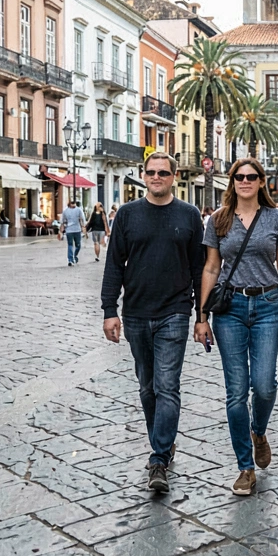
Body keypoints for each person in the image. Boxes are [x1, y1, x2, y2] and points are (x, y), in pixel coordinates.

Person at [101, 153, 205, 494]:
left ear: (174, 177)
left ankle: (158, 457)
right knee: (147, 387)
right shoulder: (128, 215)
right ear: (143, 176)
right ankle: (162, 441)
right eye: (151, 172)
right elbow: (114, 265)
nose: (156, 177)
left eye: (163, 173)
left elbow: (199, 269)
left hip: (175, 311)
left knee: (166, 385)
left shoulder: (189, 216)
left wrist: (201, 314)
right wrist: (109, 310)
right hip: (135, 313)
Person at [199, 158, 278, 496]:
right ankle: (245, 467)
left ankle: (259, 431)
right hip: (230, 310)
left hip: (269, 305)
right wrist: (201, 315)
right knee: (236, 391)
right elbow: (211, 268)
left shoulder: (276, 219)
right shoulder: (218, 220)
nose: (245, 181)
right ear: (232, 181)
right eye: (239, 177)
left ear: (261, 182)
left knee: (265, 385)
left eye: (251, 177)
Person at [61, 201, 85, 266]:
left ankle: (72, 258)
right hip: (73, 230)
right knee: (75, 245)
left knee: (74, 245)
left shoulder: (77, 210)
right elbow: (82, 219)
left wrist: (83, 227)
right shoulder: (68, 211)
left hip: (73, 230)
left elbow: (63, 221)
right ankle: (71, 258)